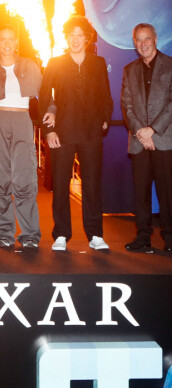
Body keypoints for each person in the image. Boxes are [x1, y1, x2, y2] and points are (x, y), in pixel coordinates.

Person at [39, 15, 113, 251]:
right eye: (72, 34)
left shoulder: (98, 63)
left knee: (92, 184)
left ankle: (95, 234)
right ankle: (61, 234)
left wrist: (104, 119)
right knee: (60, 184)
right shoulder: (55, 63)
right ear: (67, 36)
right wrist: (49, 130)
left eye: (80, 35)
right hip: (62, 132)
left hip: (91, 133)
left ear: (87, 39)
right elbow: (44, 98)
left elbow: (105, 96)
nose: (75, 39)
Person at [0, 25, 42, 249]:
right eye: (2, 39)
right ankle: (4, 232)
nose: (7, 43)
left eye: (11, 39)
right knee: (0, 179)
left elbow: (45, 94)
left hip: (22, 121)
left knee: (25, 179)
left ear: (17, 42)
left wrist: (51, 113)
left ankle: (30, 234)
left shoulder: (29, 65)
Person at [121, 23, 172, 252]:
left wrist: (153, 129)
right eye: (138, 40)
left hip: (164, 140)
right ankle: (143, 238)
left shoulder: (171, 65)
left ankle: (170, 239)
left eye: (147, 38)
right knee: (140, 194)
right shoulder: (129, 70)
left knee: (167, 193)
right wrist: (141, 132)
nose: (143, 43)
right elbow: (127, 105)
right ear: (134, 43)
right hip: (139, 142)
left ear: (155, 39)